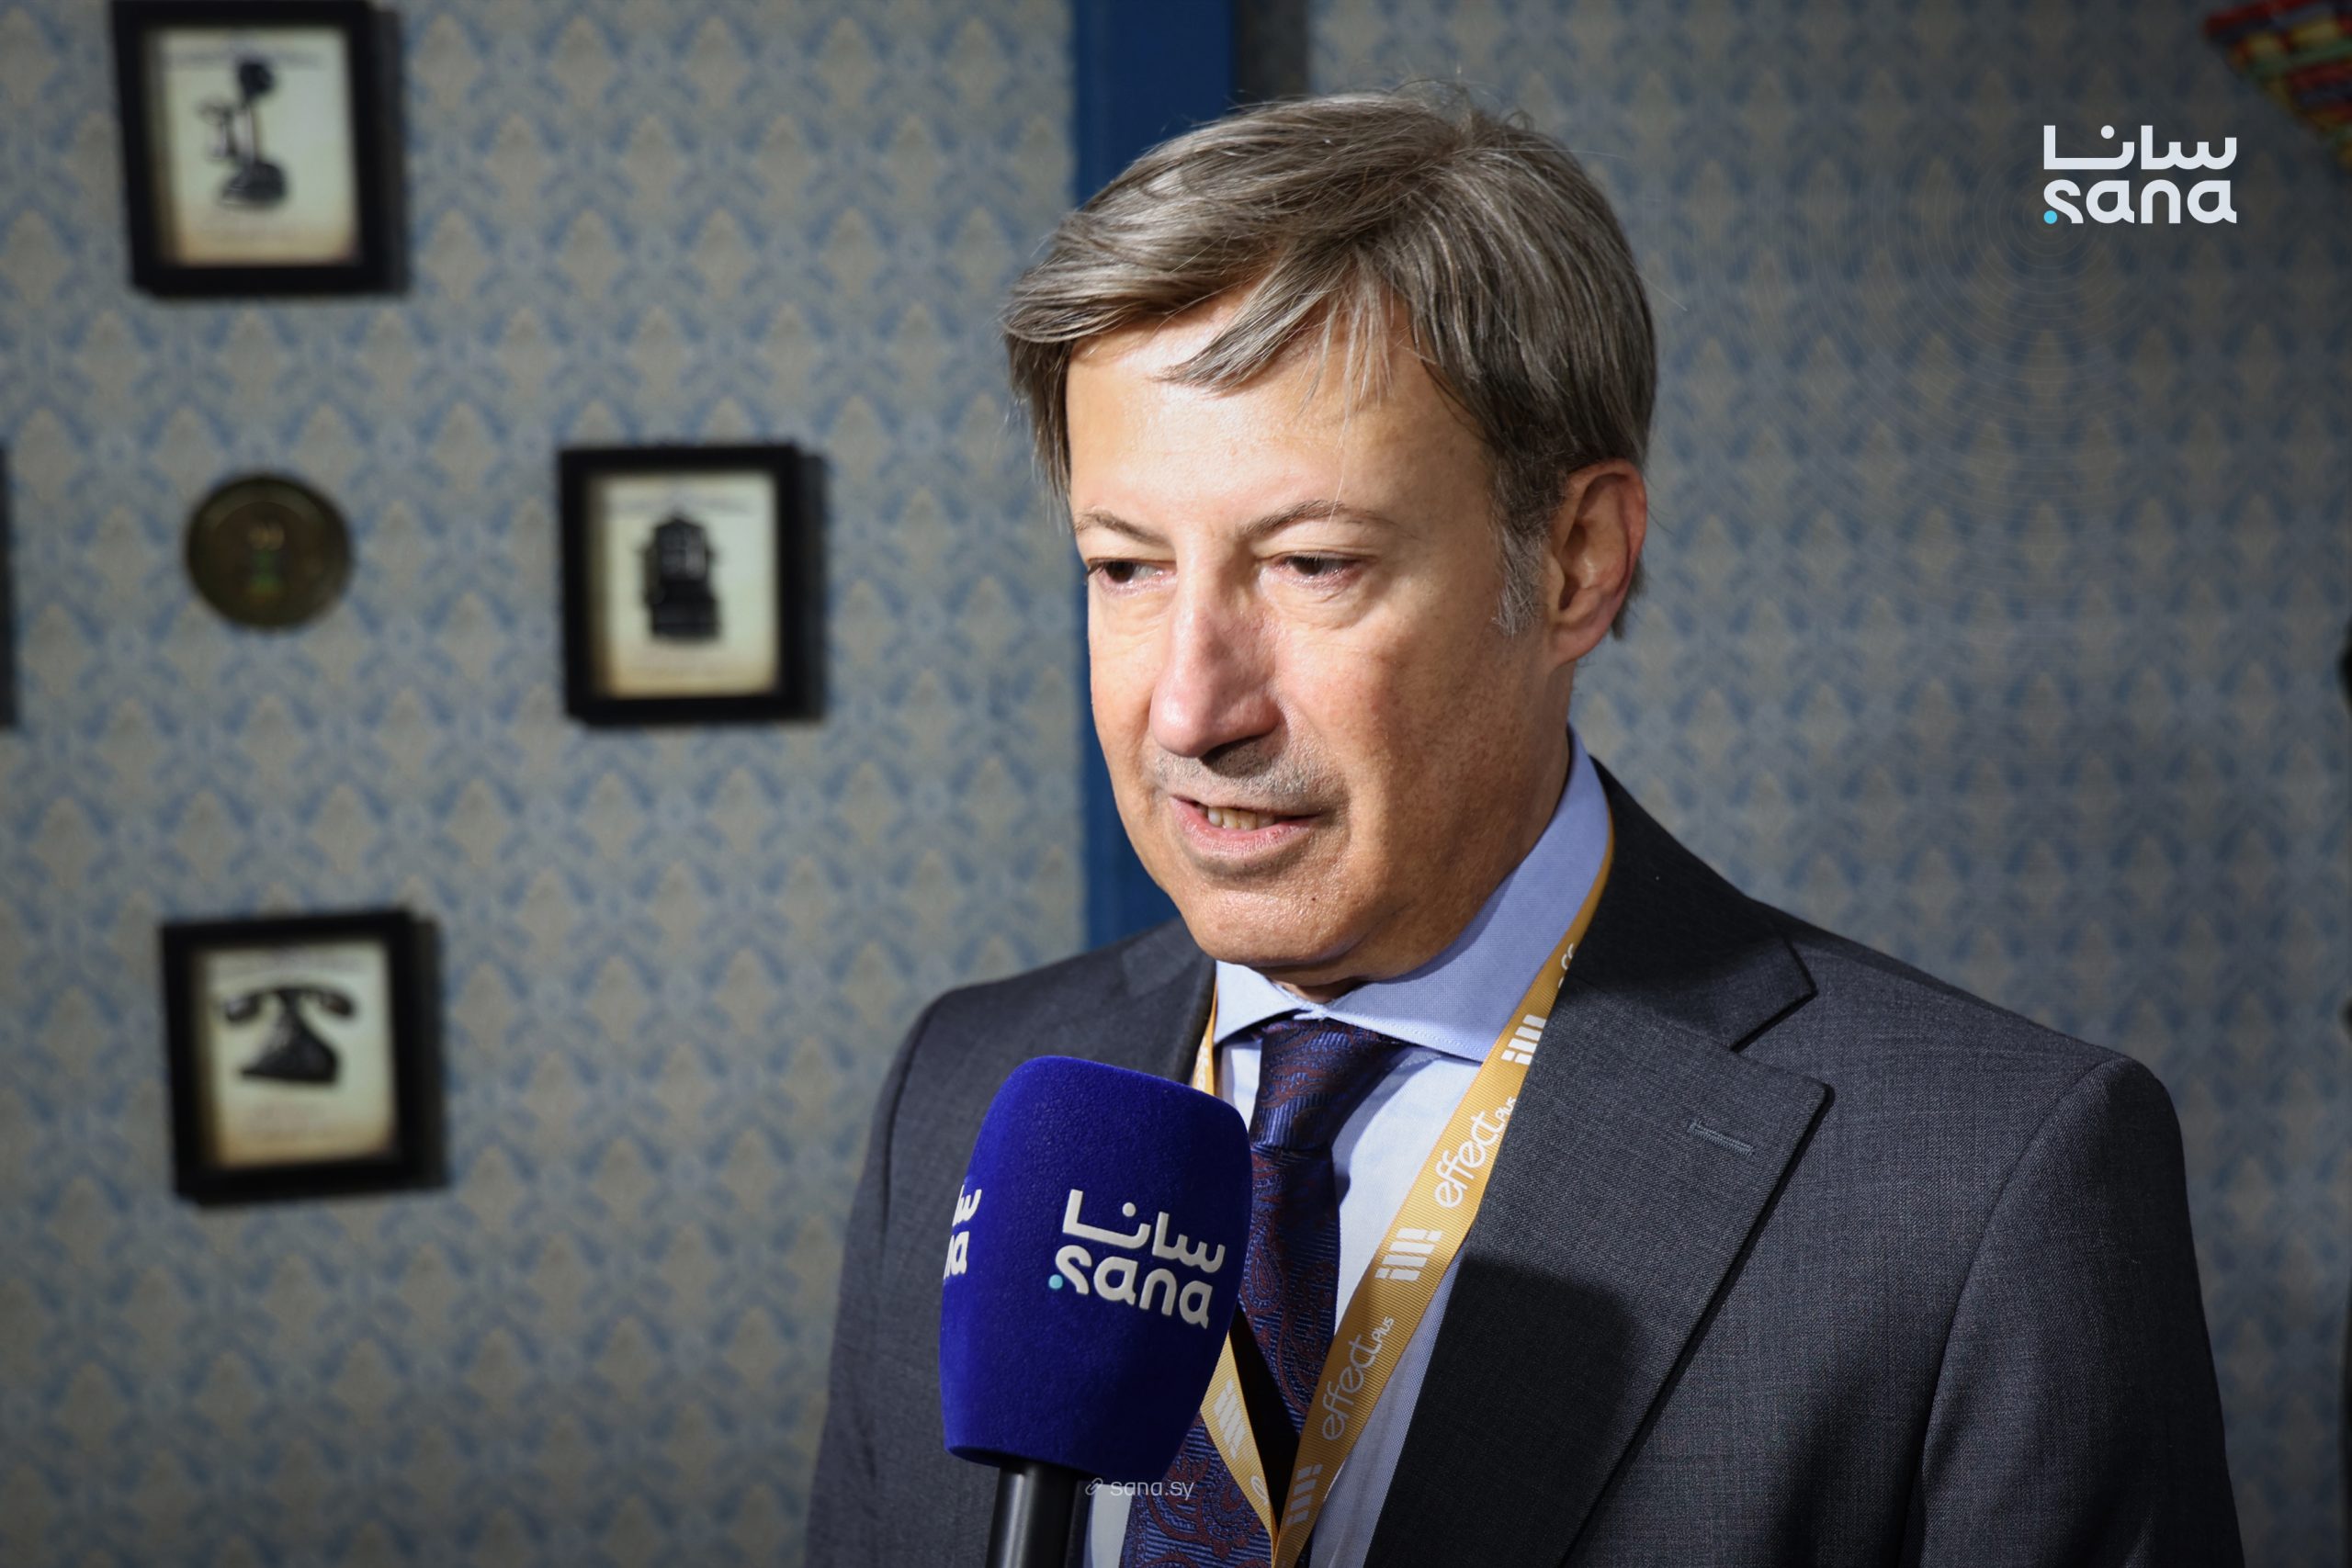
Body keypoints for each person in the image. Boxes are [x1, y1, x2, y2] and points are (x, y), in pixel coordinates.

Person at [808, 88, 2243, 1568]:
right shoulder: (958, 1090)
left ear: (1575, 561)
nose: (1189, 707)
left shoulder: (1987, 1184)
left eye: (1311, 564)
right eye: (1125, 567)